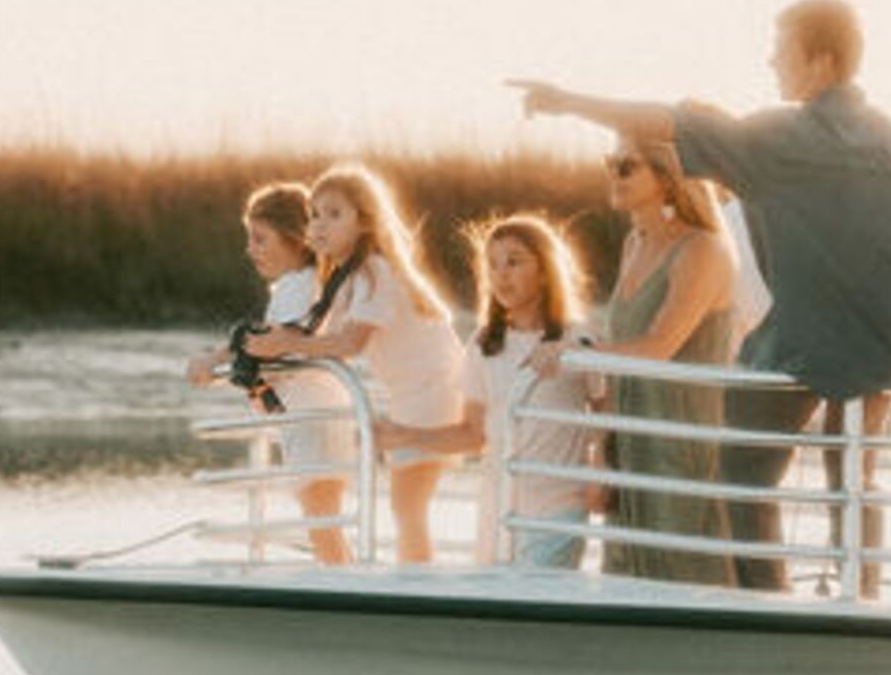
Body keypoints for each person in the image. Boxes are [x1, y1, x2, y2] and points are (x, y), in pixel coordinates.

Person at [511, 0, 891, 592]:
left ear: (819, 61)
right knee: (853, 477)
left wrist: (567, 102)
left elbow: (665, 122)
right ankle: (862, 598)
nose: (771, 63)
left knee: (737, 470)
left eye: (780, 51)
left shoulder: (784, 139)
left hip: (806, 344)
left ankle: (765, 602)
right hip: (890, 341)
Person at [250, 161, 465, 563]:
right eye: (314, 215)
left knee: (408, 503)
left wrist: (283, 344)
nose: (319, 225)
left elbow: (347, 342)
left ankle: (416, 586)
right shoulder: (347, 277)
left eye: (334, 214)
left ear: (365, 222)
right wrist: (277, 348)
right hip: (413, 391)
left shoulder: (373, 273)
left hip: (433, 387)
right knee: (407, 502)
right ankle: (410, 578)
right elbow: (317, 335)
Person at [383, 212, 606, 569]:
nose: (501, 274)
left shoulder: (576, 338)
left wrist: (601, 471)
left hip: (558, 507)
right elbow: (473, 435)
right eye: (493, 265)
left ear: (546, 271)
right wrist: (404, 435)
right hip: (497, 507)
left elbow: (604, 410)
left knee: (537, 603)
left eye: (514, 262)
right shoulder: (485, 344)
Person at [590, 141, 743, 581]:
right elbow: (619, 345)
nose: (614, 176)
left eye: (626, 166)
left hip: (676, 435)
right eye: (609, 163)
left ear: (668, 176)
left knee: (682, 563)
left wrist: (572, 355)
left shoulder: (703, 250)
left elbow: (659, 347)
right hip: (630, 434)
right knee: (622, 567)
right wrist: (602, 450)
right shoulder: (633, 243)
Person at [189, 181, 348, 555]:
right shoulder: (299, 286)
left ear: (296, 239)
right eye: (249, 239)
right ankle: (340, 574)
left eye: (260, 239)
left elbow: (274, 345)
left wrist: (214, 361)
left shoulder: (302, 286)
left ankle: (340, 581)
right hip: (313, 413)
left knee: (320, 518)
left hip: (314, 415)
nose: (250, 250)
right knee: (322, 518)